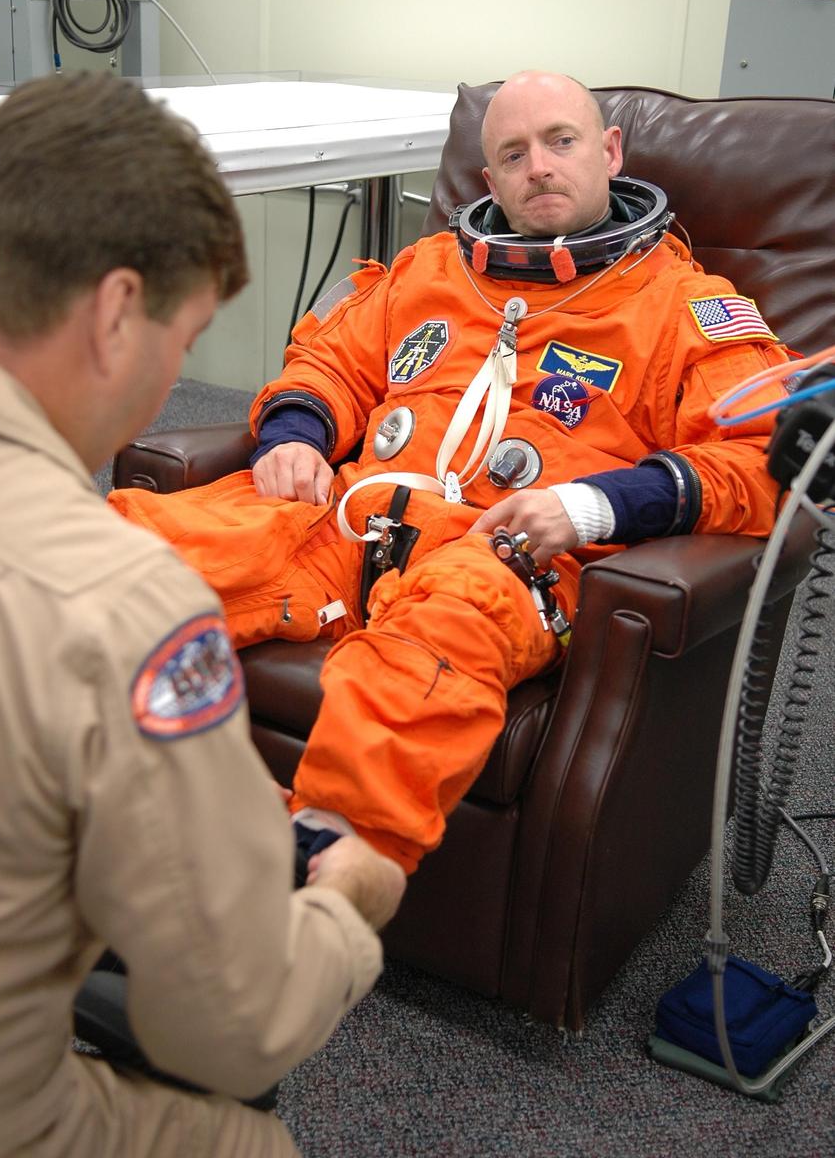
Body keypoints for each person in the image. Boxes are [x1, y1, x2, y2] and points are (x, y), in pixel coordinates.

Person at [109, 69, 790, 881]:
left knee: (448, 626)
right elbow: (328, 362)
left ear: (609, 152)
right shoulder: (427, 270)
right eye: (512, 152)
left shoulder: (683, 307)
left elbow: (760, 456)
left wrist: (590, 507)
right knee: (128, 551)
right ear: (488, 178)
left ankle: (321, 874)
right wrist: (292, 437)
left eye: (559, 141)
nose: (537, 166)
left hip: (507, 553)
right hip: (348, 520)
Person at [0, 71, 405, 1158]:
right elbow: (233, 1028)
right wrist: (354, 895)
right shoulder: (120, 600)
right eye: (187, 341)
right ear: (119, 311)